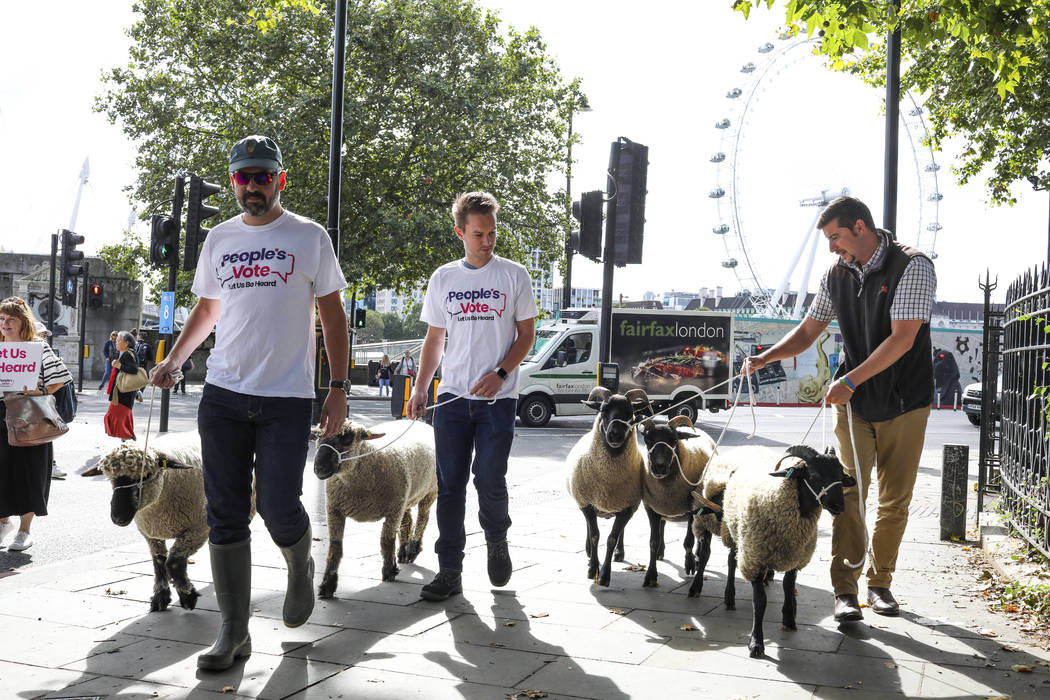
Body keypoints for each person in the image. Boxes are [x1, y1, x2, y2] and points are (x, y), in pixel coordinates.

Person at [148, 135, 349, 671]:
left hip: (286, 396)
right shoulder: (218, 238)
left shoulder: (309, 237)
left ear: (280, 179)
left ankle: (300, 564)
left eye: (263, 176)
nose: (253, 186)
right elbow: (208, 308)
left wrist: (339, 387)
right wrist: (174, 359)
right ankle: (233, 630)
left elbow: (332, 316)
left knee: (280, 506)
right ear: (234, 181)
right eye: (244, 177)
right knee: (225, 513)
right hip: (224, 394)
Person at [741, 195, 936, 623]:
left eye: (836, 237)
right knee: (847, 491)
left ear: (861, 228)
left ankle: (880, 583)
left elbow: (902, 339)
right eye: (829, 240)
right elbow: (808, 330)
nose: (832, 247)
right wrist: (764, 358)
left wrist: (849, 380)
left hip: (905, 400)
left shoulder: (913, 266)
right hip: (855, 403)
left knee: (893, 500)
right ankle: (845, 590)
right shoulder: (836, 274)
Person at [406, 191, 537, 601]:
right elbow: (434, 338)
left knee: (490, 477)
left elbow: (527, 336)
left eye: (492, 233)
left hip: (498, 401)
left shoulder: (514, 275)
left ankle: (497, 540)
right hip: (451, 401)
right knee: (449, 486)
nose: (487, 241)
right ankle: (450, 570)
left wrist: (501, 374)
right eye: (479, 234)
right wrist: (422, 387)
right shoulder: (444, 278)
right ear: (461, 232)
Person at [0, 298, 73, 551]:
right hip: (1, 414)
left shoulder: (37, 347)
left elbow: (60, 379)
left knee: (29, 471)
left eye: (10, 319)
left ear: (23, 322)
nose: (5, 324)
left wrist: (37, 390)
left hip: (28, 414)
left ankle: (24, 530)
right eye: (1, 319)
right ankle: (3, 522)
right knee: (2, 471)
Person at [103, 331, 139, 440]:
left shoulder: (128, 354)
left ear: (126, 344)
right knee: (122, 417)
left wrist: (119, 365)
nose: (116, 343)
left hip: (124, 393)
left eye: (118, 341)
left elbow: (134, 370)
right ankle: (127, 439)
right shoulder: (124, 353)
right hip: (124, 392)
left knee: (115, 415)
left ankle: (127, 439)